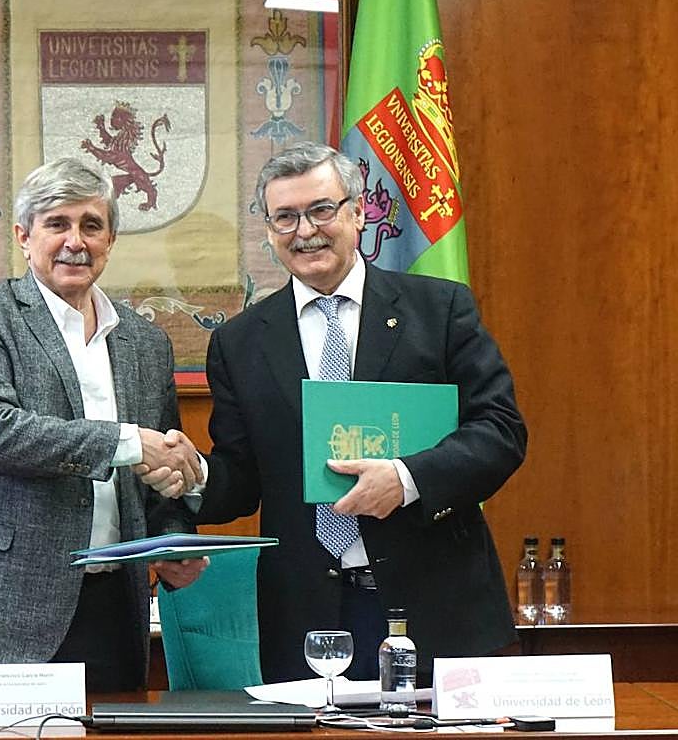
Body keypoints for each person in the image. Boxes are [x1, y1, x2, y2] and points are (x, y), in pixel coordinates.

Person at [185, 141, 527, 683]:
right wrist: (194, 475)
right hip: (309, 617)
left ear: (359, 212)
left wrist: (406, 479)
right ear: (269, 231)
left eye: (322, 210)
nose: (306, 231)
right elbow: (243, 479)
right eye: (285, 217)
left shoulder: (439, 310)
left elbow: (500, 432)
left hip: (436, 606)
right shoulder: (240, 342)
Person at [0, 157, 206, 692]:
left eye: (91, 225)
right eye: (57, 224)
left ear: (110, 239)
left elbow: (156, 473)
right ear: (24, 237)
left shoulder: (145, 342)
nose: (76, 241)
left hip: (113, 613)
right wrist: (126, 442)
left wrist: (173, 542)